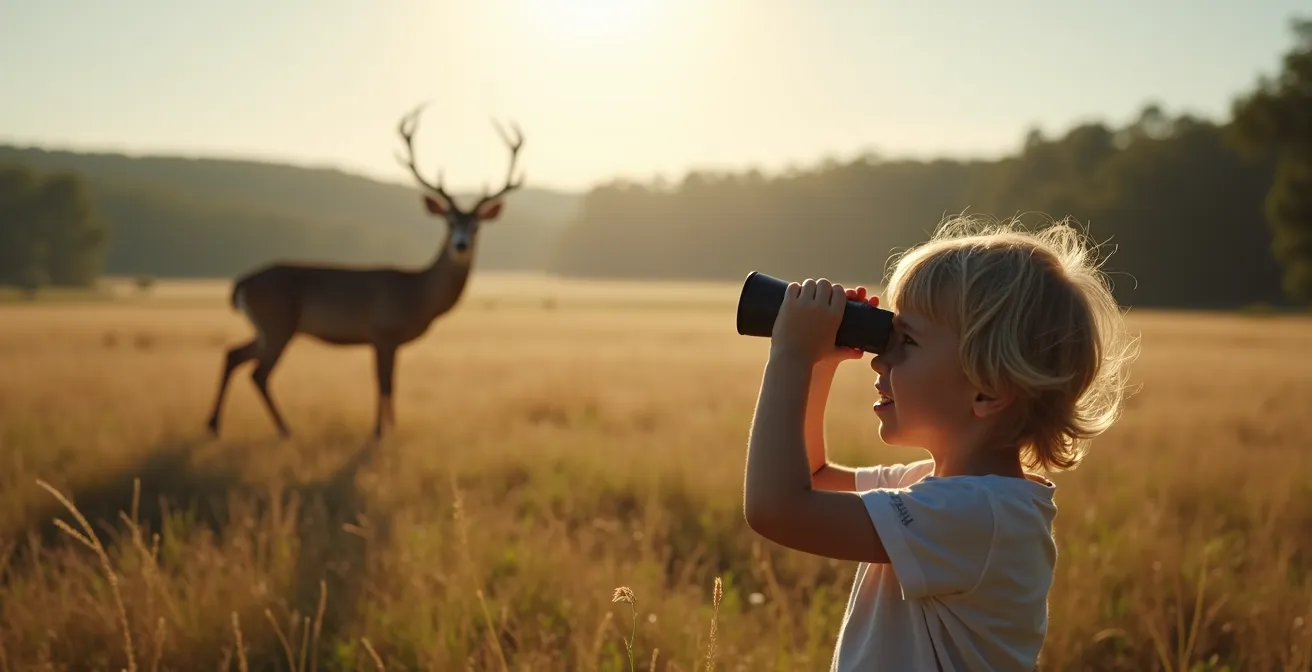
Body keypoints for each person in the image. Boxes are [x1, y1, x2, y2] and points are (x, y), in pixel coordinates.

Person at [741, 215, 1138, 671]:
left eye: (906, 341)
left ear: (987, 390)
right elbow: (814, 478)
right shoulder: (940, 491)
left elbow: (778, 508)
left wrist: (791, 353)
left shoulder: (977, 514)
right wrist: (819, 363)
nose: (880, 360)